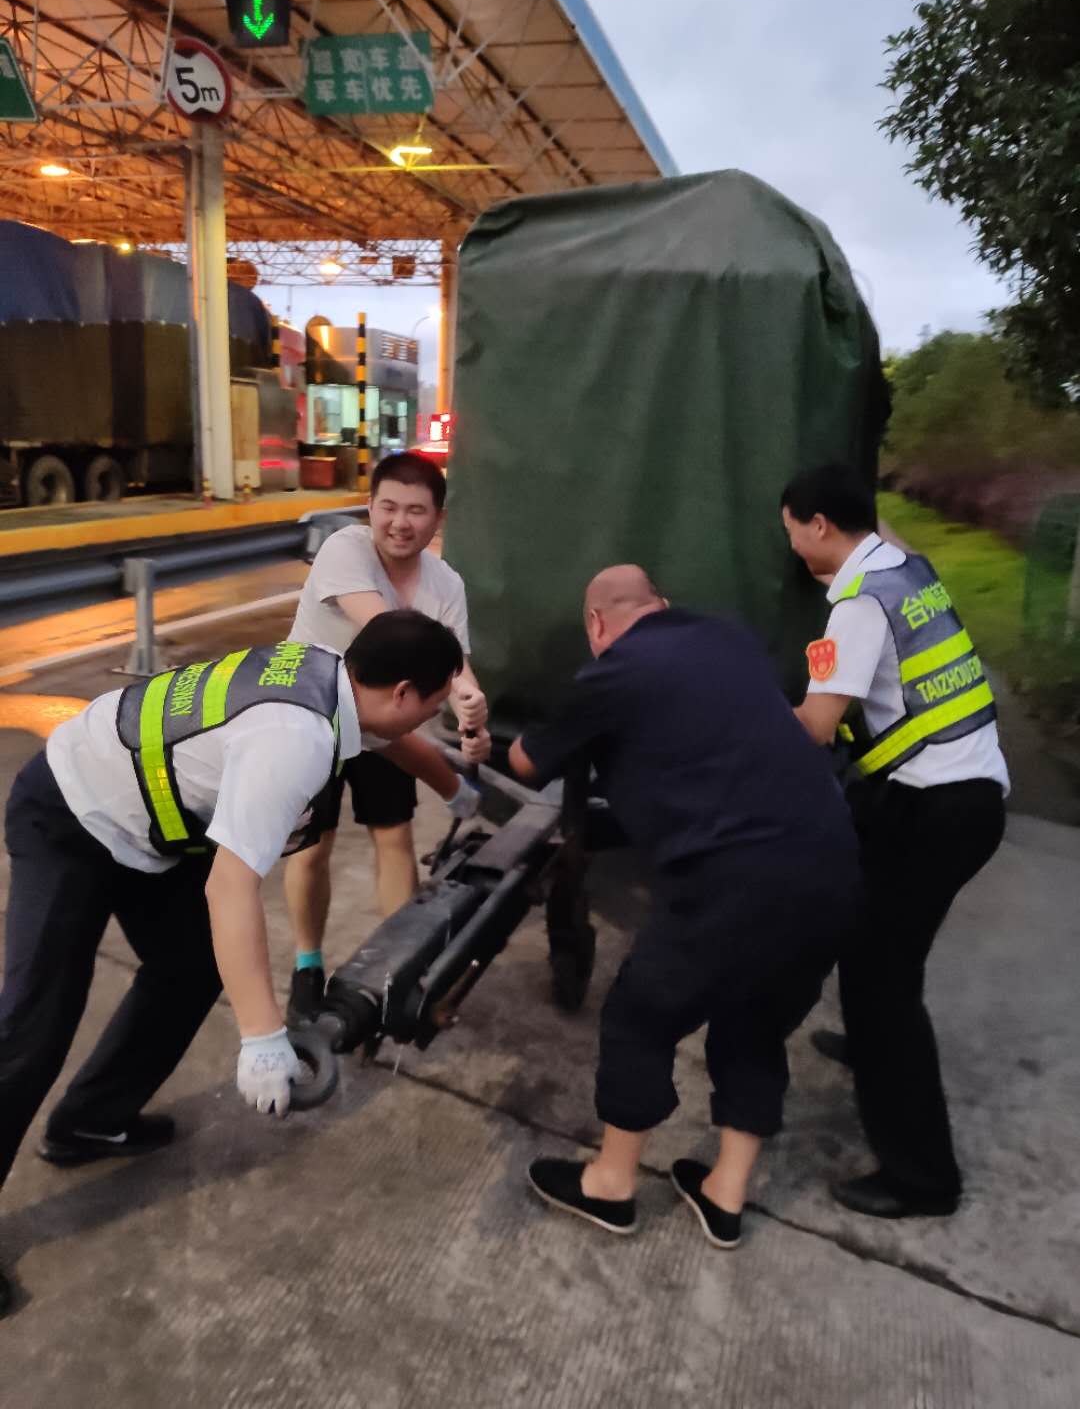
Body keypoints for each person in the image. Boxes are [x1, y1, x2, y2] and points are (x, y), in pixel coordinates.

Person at [0, 610, 464, 1319]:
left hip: (143, 829)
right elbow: (230, 886)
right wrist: (261, 1037)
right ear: (402, 691)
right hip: (70, 811)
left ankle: (90, 1121)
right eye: (433, 706)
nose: (431, 718)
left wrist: (461, 790)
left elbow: (396, 741)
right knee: (33, 1023)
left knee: (189, 966)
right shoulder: (295, 740)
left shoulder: (331, 673)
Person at [509, 566, 859, 1247]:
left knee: (640, 1017)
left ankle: (611, 1185)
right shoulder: (727, 637)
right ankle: (725, 1194)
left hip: (733, 878)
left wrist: (483, 735)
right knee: (754, 1025)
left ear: (596, 624)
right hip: (833, 868)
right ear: (662, 606)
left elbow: (527, 761)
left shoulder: (615, 671)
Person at [781, 463, 1009, 1219]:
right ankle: (869, 1042)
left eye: (792, 529)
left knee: (885, 983)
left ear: (819, 525)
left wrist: (743, 717)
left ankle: (923, 1178)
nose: (791, 545)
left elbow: (816, 726)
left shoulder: (857, 608)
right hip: (955, 792)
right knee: (868, 935)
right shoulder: (906, 568)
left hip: (938, 809)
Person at [283, 451, 489, 1028]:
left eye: (416, 511)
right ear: (369, 508)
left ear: (438, 519)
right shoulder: (344, 549)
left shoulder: (446, 582)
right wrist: (456, 685)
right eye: (389, 507)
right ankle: (307, 967)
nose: (400, 522)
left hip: (385, 724)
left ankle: (401, 964)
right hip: (310, 718)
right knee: (312, 846)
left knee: (394, 835)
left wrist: (472, 706)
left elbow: (457, 662)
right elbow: (390, 631)